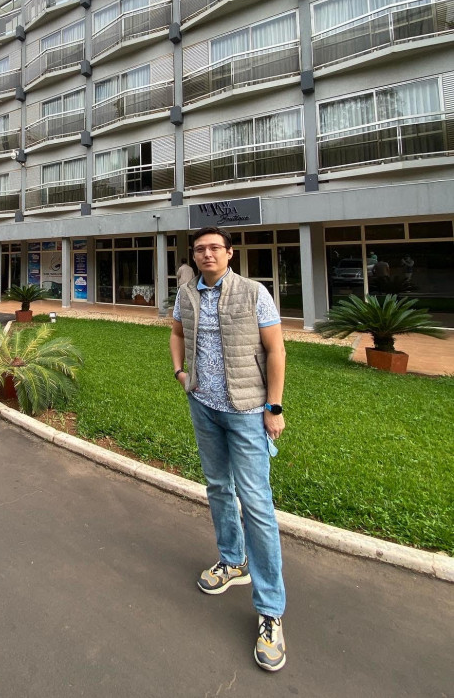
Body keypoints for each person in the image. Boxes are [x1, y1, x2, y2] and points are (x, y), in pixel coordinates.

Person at [170, 226, 287, 673]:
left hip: (247, 411)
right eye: (200, 249)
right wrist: (181, 374)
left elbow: (276, 350)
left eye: (215, 248)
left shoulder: (254, 292)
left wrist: (274, 406)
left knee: (256, 502)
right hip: (204, 406)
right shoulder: (186, 294)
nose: (207, 254)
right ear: (194, 256)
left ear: (230, 253)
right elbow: (177, 334)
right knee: (218, 487)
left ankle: (270, 610)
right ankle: (232, 561)